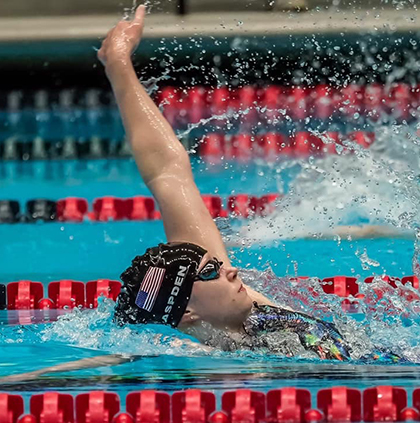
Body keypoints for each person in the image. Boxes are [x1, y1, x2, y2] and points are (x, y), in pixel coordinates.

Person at [0, 6, 403, 384]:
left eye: (214, 264)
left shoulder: (244, 309)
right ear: (187, 312)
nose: (228, 269)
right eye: (210, 272)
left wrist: (119, 65)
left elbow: (167, 169)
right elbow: (92, 366)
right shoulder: (211, 356)